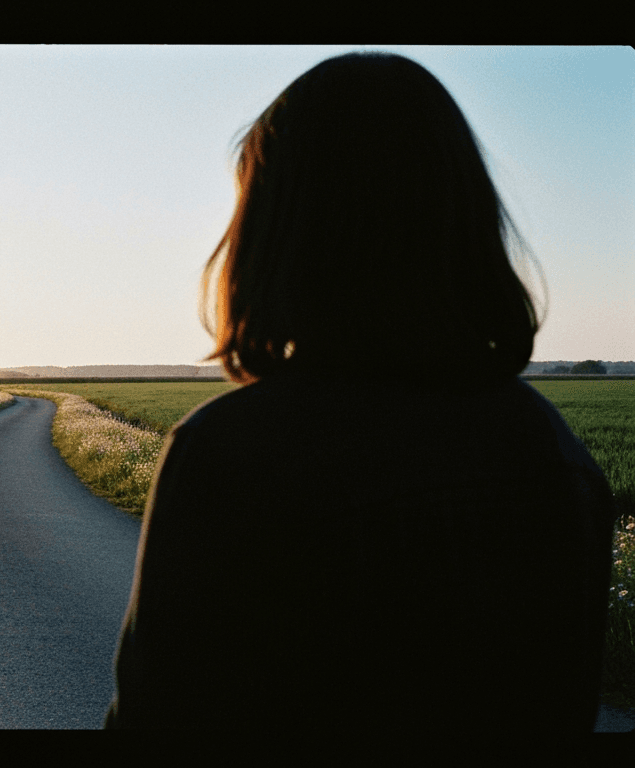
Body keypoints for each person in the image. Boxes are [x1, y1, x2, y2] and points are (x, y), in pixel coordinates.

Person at [105, 52, 616, 733]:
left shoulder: (231, 456)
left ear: (279, 235)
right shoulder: (558, 460)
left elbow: (158, 720)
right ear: (464, 219)